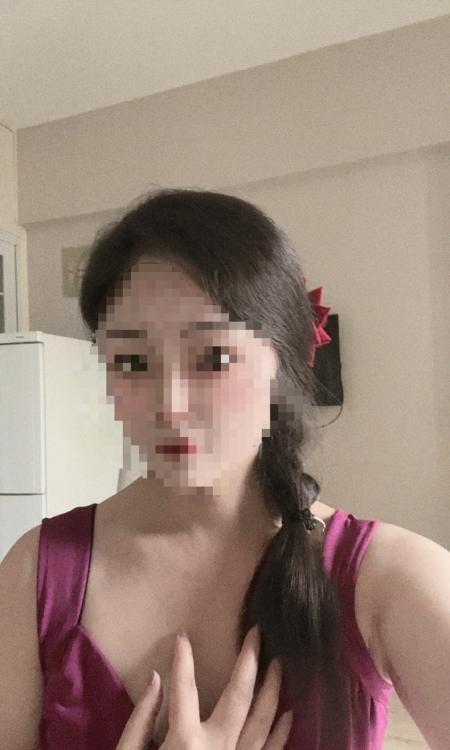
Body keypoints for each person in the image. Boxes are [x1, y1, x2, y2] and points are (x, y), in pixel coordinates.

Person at [0, 189, 448, 750]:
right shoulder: (34, 574)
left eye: (213, 357)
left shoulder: (393, 581)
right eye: (132, 362)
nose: (170, 405)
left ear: (282, 362)